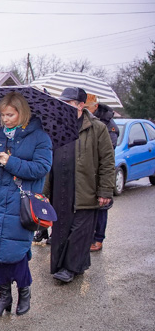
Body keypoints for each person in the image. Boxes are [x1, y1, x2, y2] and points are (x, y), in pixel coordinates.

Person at [0, 92, 53, 317]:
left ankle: (24, 292)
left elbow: (41, 168)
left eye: (10, 114)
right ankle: (4, 297)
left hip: (20, 202)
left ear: (22, 113)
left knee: (16, 251)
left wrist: (12, 162)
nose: (5, 119)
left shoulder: (40, 138)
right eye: (2, 115)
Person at [45, 87, 114, 283]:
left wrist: (105, 191)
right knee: (60, 229)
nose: (63, 106)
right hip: (60, 186)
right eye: (62, 103)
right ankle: (69, 264)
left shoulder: (97, 127)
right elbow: (47, 158)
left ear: (80, 105)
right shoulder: (55, 125)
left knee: (80, 231)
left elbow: (107, 161)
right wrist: (43, 192)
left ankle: (69, 268)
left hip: (86, 188)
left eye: (68, 103)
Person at [90, 102, 120, 252]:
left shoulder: (108, 124)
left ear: (95, 106)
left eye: (87, 107)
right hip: (88, 173)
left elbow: (108, 153)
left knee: (102, 207)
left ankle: (98, 239)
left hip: (100, 171)